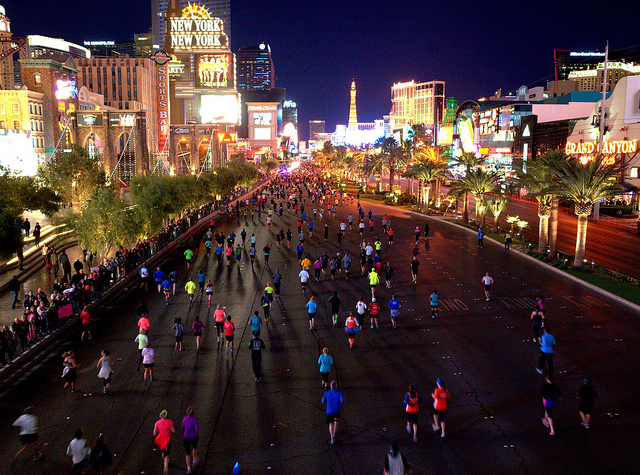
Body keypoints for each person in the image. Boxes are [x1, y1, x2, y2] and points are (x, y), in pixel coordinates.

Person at [153, 410, 175, 474]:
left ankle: (165, 462)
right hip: (167, 439)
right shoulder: (169, 422)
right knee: (167, 454)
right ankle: (166, 467)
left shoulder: (157, 423)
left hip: (161, 440)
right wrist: (170, 428)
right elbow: (173, 430)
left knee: (163, 452)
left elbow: (154, 433)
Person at [182, 406, 199, 473]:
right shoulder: (195, 419)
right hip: (194, 436)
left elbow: (182, 428)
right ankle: (194, 460)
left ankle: (188, 468)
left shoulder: (184, 419)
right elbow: (197, 429)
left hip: (186, 437)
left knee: (187, 453)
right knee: (194, 447)